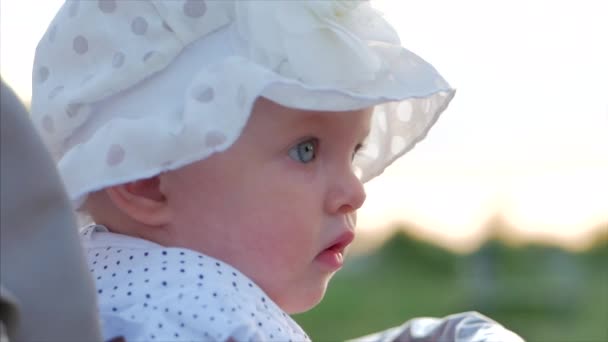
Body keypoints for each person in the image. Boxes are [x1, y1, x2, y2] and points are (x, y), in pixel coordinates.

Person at [30, 1, 523, 341]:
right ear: (146, 180)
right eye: (306, 150)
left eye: (353, 152)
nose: (354, 191)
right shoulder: (198, 314)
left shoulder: (89, 290)